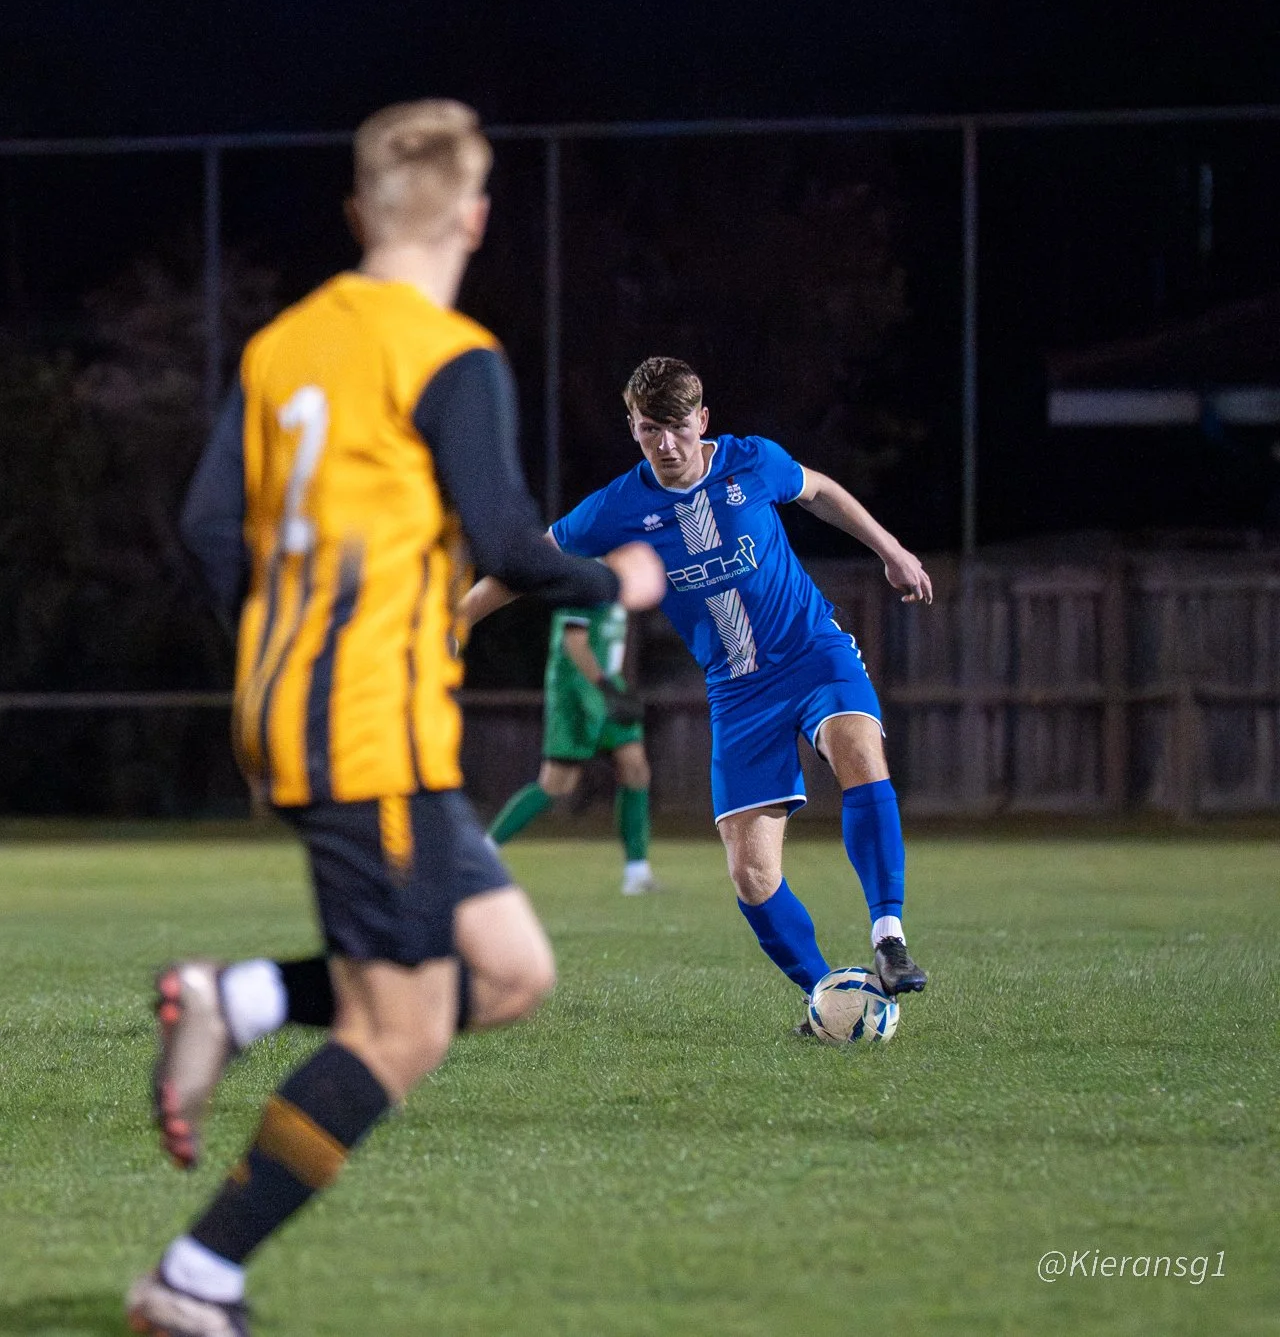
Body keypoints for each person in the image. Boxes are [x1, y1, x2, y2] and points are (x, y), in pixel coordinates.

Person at [125, 100, 664, 1336]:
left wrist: (277, 663)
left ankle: (241, 999)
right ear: (473, 217)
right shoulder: (449, 352)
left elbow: (213, 532)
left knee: (511, 974)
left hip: (296, 715)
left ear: (360, 211)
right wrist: (618, 580)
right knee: (403, 1032)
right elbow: (515, 544)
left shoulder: (280, 348)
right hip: (369, 730)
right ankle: (195, 1277)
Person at [464, 356, 933, 1032]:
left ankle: (889, 935)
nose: (667, 444)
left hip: (811, 651)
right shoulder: (618, 506)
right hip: (738, 693)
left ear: (703, 420)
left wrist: (890, 549)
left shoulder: (752, 463)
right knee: (751, 876)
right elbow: (531, 561)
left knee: (857, 747)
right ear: (633, 428)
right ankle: (827, 994)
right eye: (651, 428)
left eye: (679, 427)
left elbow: (820, 489)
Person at [485, 600, 658, 894]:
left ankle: (637, 871)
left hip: (607, 685)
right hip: (577, 691)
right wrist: (605, 688)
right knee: (556, 784)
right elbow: (574, 642)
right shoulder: (584, 575)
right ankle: (483, 852)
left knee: (636, 768)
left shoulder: (622, 573)